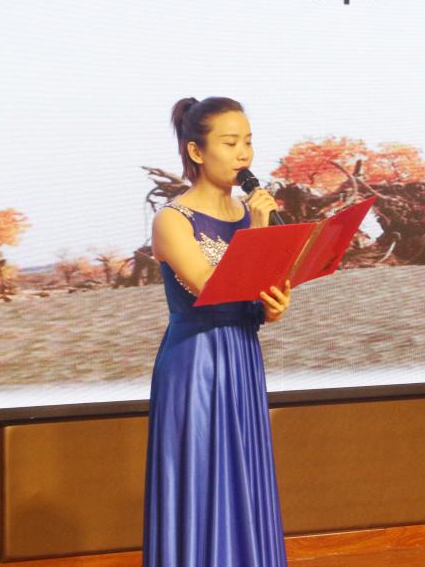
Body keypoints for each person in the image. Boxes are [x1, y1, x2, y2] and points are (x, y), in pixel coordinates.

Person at [143, 96, 291, 566]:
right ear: (197, 151)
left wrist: (272, 309)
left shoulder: (249, 215)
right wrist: (260, 229)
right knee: (202, 479)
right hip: (196, 366)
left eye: (248, 141)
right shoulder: (173, 219)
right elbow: (212, 288)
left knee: (244, 477)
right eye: (230, 143)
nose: (243, 153)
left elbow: (252, 300)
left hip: (242, 357)